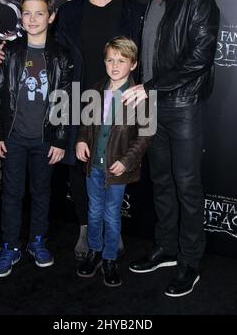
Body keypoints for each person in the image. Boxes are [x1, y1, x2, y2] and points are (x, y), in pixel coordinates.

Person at [0, 0, 144, 260]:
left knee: (114, 163)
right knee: (79, 166)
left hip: (115, 99)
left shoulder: (133, 10)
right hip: (75, 98)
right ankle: (85, 227)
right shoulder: (70, 12)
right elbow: (42, 43)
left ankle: (110, 230)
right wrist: (7, 47)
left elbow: (142, 53)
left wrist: (141, 87)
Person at [122, 0, 220, 297]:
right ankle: (166, 248)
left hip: (182, 107)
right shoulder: (150, 2)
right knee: (160, 181)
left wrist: (148, 87)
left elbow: (199, 59)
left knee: (187, 185)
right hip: (150, 108)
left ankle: (190, 261)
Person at [0, 0, 73, 277]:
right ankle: (10, 245)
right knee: (11, 193)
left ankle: (37, 240)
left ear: (51, 16)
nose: (33, 19)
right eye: (27, 13)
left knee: (41, 192)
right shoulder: (10, 51)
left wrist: (60, 138)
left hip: (44, 139)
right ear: (20, 17)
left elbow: (65, 98)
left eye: (39, 13)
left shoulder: (61, 55)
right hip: (14, 138)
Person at [76, 37, 152, 287]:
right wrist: (81, 141)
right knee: (94, 211)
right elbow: (87, 124)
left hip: (117, 168)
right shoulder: (96, 89)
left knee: (111, 214)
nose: (115, 65)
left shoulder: (141, 96)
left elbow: (145, 136)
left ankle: (109, 258)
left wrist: (126, 161)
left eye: (122, 60)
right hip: (93, 166)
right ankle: (94, 252)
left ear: (133, 64)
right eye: (110, 60)